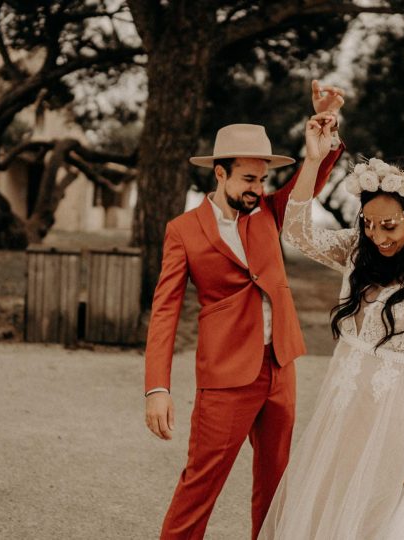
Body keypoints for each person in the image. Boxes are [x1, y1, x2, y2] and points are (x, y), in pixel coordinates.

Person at [143, 82, 345, 539]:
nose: (258, 188)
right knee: (201, 485)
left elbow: (308, 184)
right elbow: (165, 311)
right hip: (225, 377)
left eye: (263, 179)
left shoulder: (271, 212)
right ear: (219, 174)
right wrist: (157, 387)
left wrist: (325, 134)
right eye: (248, 179)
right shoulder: (183, 231)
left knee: (276, 488)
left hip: (280, 368)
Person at [258, 126, 404, 538]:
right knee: (326, 503)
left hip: (393, 409)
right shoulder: (358, 251)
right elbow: (295, 232)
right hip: (341, 403)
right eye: (370, 224)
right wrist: (314, 160)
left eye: (388, 226)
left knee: (376, 511)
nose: (378, 237)